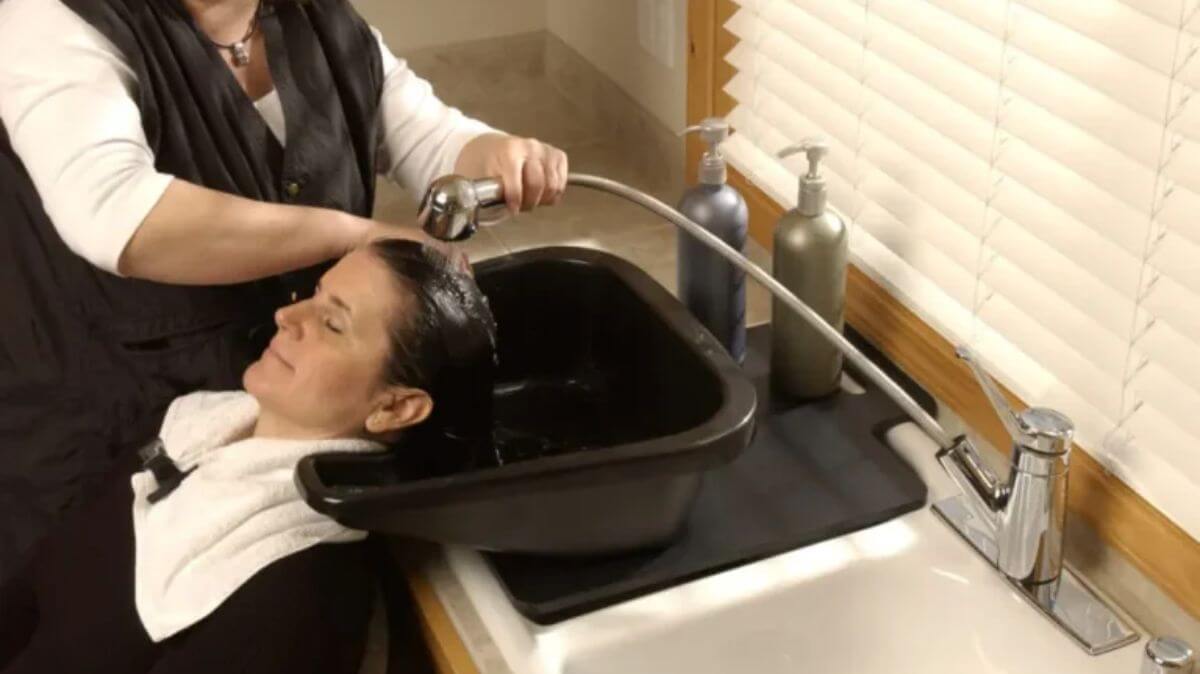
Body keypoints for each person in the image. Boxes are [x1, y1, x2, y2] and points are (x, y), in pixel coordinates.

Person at [0, 0, 567, 578]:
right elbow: (118, 215)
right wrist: (351, 235)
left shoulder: (316, 21)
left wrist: (493, 153)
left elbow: (430, 138)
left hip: (267, 439)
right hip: (100, 431)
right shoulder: (52, 22)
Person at [0, 239, 498, 673]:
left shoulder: (296, 598)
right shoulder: (184, 430)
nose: (288, 315)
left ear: (394, 407)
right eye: (314, 294)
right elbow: (37, 584)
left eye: (332, 323)